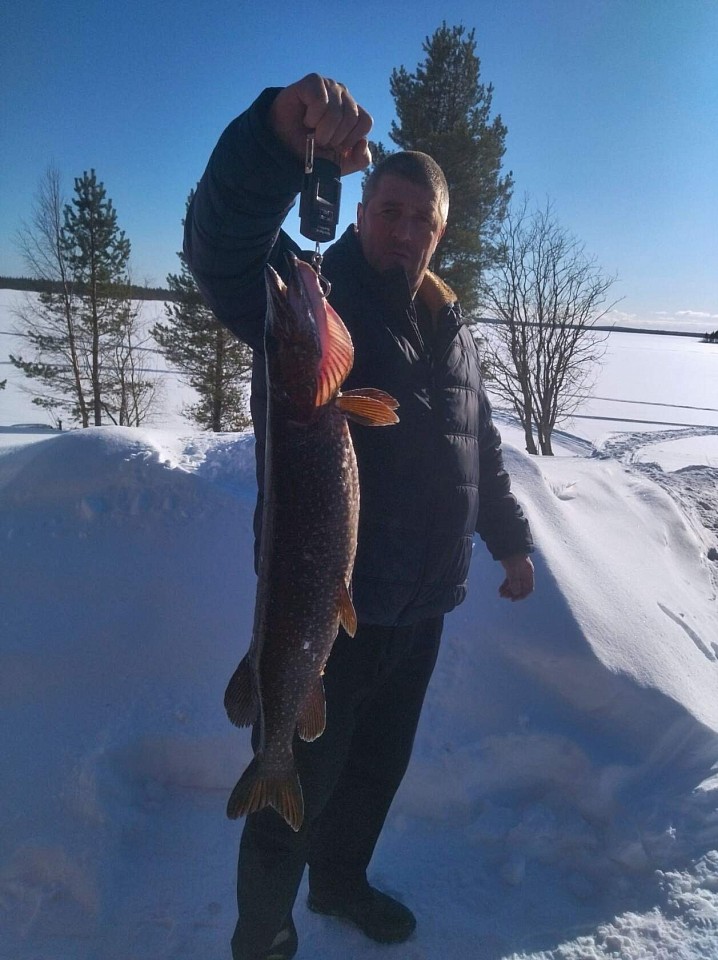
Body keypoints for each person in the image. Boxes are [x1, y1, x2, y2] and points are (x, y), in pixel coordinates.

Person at [184, 73, 535, 960]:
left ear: (440, 232)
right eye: (390, 211)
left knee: (375, 774)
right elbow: (222, 248)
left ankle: (340, 885)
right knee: (293, 779)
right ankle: (264, 934)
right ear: (360, 210)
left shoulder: (449, 322)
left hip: (422, 608)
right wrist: (274, 139)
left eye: (423, 219)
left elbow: (477, 443)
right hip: (327, 608)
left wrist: (509, 541)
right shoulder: (314, 298)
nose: (405, 230)